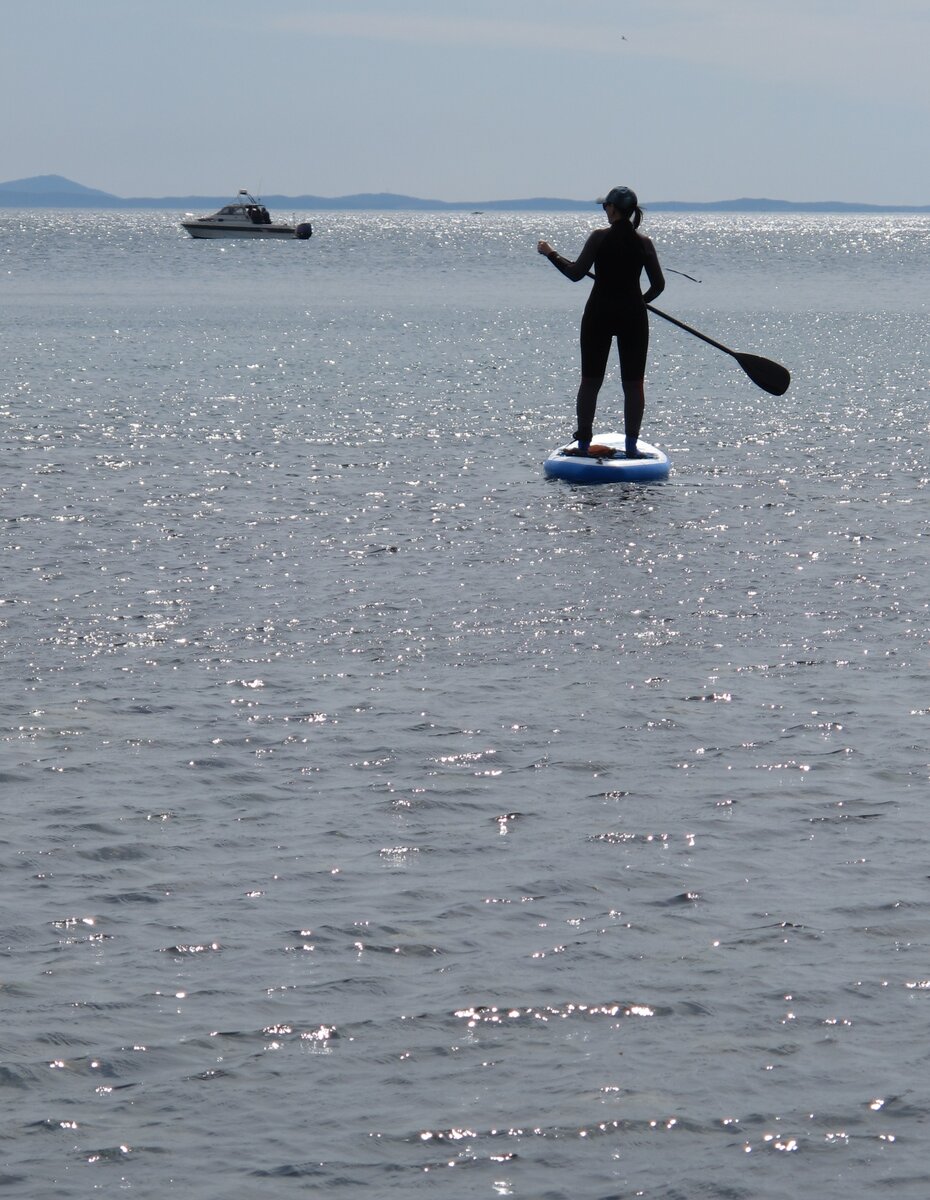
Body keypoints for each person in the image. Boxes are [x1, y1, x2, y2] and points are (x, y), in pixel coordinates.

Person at [537, 185, 665, 457]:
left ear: (613, 208)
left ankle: (583, 443)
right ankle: (632, 448)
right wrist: (639, 301)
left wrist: (550, 253)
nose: (605, 211)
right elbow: (658, 286)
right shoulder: (644, 243)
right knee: (633, 384)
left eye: (606, 206)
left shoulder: (599, 238)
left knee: (590, 381)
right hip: (633, 317)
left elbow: (575, 273)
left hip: (599, 315)